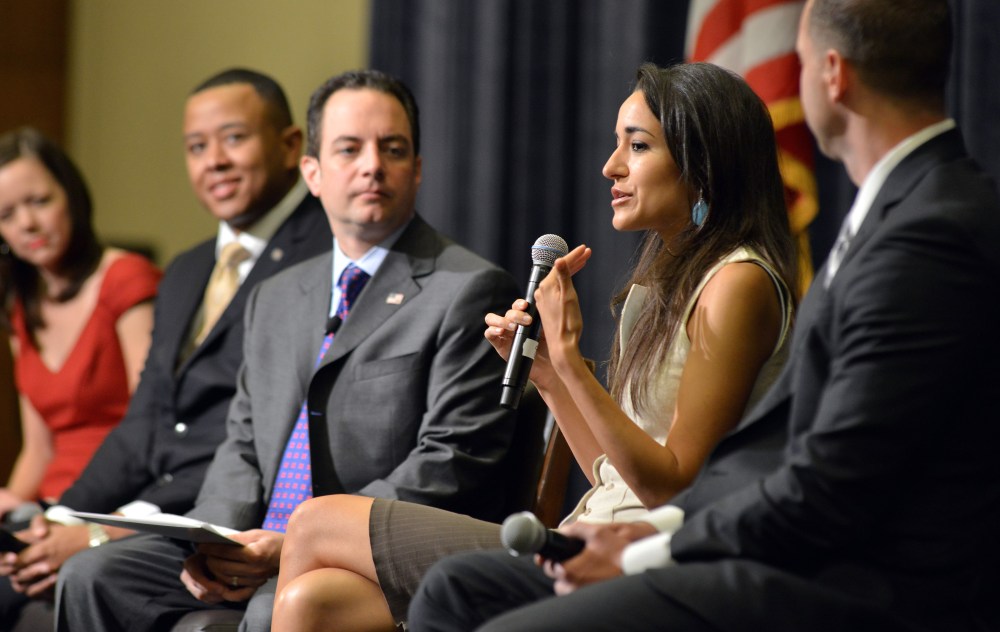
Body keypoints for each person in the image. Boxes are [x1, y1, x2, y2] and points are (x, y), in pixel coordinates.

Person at [407, 1, 1000, 631]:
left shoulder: (926, 235)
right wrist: (554, 371)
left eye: (796, 65)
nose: (611, 167)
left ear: (832, 74)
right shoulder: (904, 213)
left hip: (862, 582)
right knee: (453, 592)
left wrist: (654, 545)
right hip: (752, 537)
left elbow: (829, 481)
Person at [269, 60, 798, 632]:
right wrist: (546, 370)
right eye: (616, 143)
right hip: (586, 530)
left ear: (703, 165)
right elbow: (610, 474)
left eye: (638, 146)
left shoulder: (737, 283)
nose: (611, 166)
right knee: (312, 603)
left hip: (643, 560)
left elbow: (672, 488)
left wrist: (572, 361)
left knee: (315, 522)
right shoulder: (661, 287)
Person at [54, 68, 521, 632]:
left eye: (392, 149)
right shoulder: (276, 295)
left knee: (267, 607)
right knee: (91, 576)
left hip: (359, 552)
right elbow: (243, 442)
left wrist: (298, 538)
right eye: (349, 149)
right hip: (255, 541)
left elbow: (450, 460)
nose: (372, 165)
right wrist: (216, 542)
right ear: (313, 173)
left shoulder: (467, 287)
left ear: (416, 170)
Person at [0, 69, 332, 628]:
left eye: (234, 138)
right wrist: (58, 518)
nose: (214, 161)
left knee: (85, 575)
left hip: (227, 515)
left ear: (290, 147)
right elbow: (144, 419)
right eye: (197, 147)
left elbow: (258, 433)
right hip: (153, 503)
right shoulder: (188, 268)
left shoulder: (324, 254)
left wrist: (107, 530)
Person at [0, 127, 160, 519]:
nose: (27, 223)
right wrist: (8, 506)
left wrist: (65, 517)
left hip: (114, 504)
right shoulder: (22, 307)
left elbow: (151, 422)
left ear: (71, 196)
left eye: (39, 201)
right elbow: (39, 450)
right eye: (6, 214)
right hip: (47, 509)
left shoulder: (126, 278)